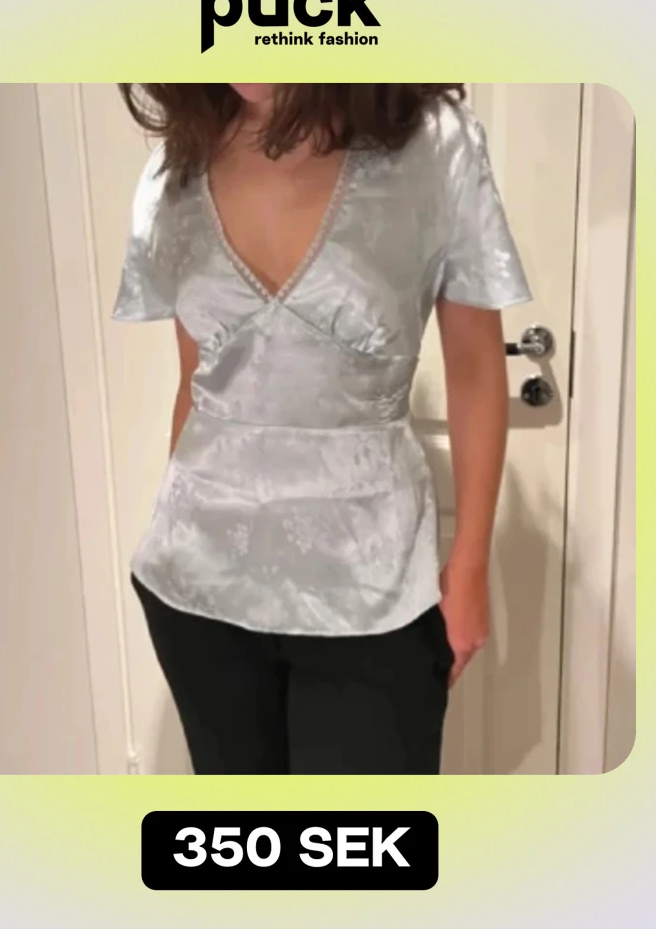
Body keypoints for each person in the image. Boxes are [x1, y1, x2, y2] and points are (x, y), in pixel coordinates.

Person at [111, 83, 531, 775]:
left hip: (375, 587)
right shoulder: (176, 168)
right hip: (198, 586)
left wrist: (470, 566)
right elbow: (197, 384)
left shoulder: (435, 146)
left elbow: (477, 370)